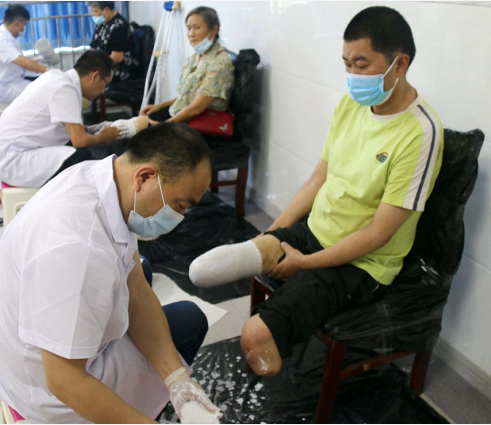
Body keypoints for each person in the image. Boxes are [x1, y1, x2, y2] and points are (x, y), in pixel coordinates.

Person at [189, 6, 444, 377]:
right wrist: (271, 233)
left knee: (254, 337)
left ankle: (280, 390)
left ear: (400, 63)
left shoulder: (420, 133)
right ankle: (267, 263)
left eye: (361, 64)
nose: (352, 75)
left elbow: (379, 234)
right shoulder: (351, 104)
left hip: (361, 264)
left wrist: (305, 264)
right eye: (346, 64)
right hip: (316, 231)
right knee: (221, 263)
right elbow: (316, 181)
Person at [0, 123, 221, 423]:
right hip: (48, 393)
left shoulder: (103, 178)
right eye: (179, 205)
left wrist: (177, 379)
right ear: (145, 177)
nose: (179, 217)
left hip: (26, 352)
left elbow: (136, 286)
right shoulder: (78, 249)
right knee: (189, 321)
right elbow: (64, 380)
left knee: (142, 270)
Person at [0, 50, 147, 188]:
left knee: (80, 151)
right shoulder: (65, 88)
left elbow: (74, 128)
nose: (102, 92)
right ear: (94, 76)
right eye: (104, 84)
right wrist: (102, 137)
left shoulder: (58, 78)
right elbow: (79, 140)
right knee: (82, 161)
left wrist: (97, 129)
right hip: (14, 160)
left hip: (10, 152)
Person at [141, 6, 234, 125]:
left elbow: (196, 108)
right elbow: (188, 96)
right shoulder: (198, 56)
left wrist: (163, 127)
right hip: (183, 114)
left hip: (200, 122)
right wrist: (160, 106)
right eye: (189, 28)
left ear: (214, 29)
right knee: (145, 117)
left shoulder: (219, 63)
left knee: (143, 128)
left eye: (197, 27)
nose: (191, 34)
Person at [0, 5, 49, 105]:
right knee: (42, 93)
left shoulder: (5, 36)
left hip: (13, 81)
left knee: (43, 83)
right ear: (17, 23)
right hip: (5, 88)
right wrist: (47, 70)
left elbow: (19, 60)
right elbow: (22, 62)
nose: (23, 29)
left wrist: (38, 58)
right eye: (24, 25)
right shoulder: (1, 39)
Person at [87, 1, 136, 83]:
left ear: (106, 9)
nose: (93, 14)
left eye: (95, 11)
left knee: (88, 81)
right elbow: (93, 47)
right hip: (101, 66)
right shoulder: (101, 24)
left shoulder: (119, 26)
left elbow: (117, 57)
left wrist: (96, 64)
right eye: (91, 11)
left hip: (117, 70)